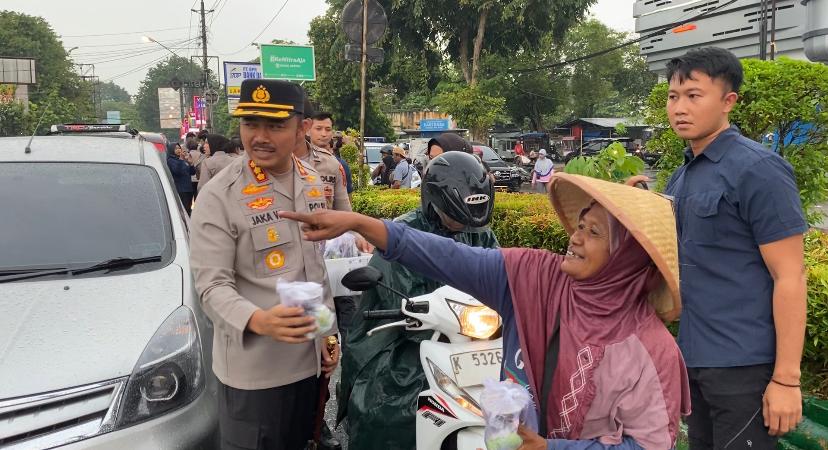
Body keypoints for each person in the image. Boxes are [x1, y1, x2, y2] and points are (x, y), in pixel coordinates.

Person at [281, 173, 691, 449]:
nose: (576, 238)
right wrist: (360, 223)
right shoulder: (535, 276)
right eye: (580, 225)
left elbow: (649, 444)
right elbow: (447, 256)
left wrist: (553, 448)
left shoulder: (653, 351)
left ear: (627, 259)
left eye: (594, 232)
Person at [664, 47, 808, 448]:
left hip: (745, 367)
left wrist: (786, 379)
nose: (680, 107)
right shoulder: (680, 177)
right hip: (694, 359)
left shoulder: (758, 170)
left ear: (728, 102)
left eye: (694, 95)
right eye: (674, 96)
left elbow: (791, 275)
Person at [189, 79, 340, 450]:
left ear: (301, 127)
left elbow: (314, 267)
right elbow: (211, 286)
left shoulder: (312, 181)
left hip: (307, 365)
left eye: (274, 125)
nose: (259, 136)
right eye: (250, 124)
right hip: (253, 375)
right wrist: (259, 320)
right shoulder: (219, 195)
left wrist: (326, 332)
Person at [337, 152, 499, 449]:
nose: (462, 225)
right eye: (455, 216)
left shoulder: (480, 233)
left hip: (469, 338)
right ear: (433, 201)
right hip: (401, 339)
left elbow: (498, 274)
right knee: (388, 408)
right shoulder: (402, 235)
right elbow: (395, 295)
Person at [297, 110, 351, 212]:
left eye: (328, 129)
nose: (323, 134)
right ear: (307, 129)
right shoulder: (282, 161)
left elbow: (345, 210)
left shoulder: (334, 164)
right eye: (318, 129)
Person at [166, 142, 196, 215]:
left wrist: (191, 163)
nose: (178, 150)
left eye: (179, 148)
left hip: (188, 189)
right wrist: (181, 160)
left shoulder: (183, 160)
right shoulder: (171, 160)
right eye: (176, 148)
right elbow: (177, 171)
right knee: (184, 211)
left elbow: (192, 172)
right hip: (180, 189)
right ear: (171, 150)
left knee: (188, 209)